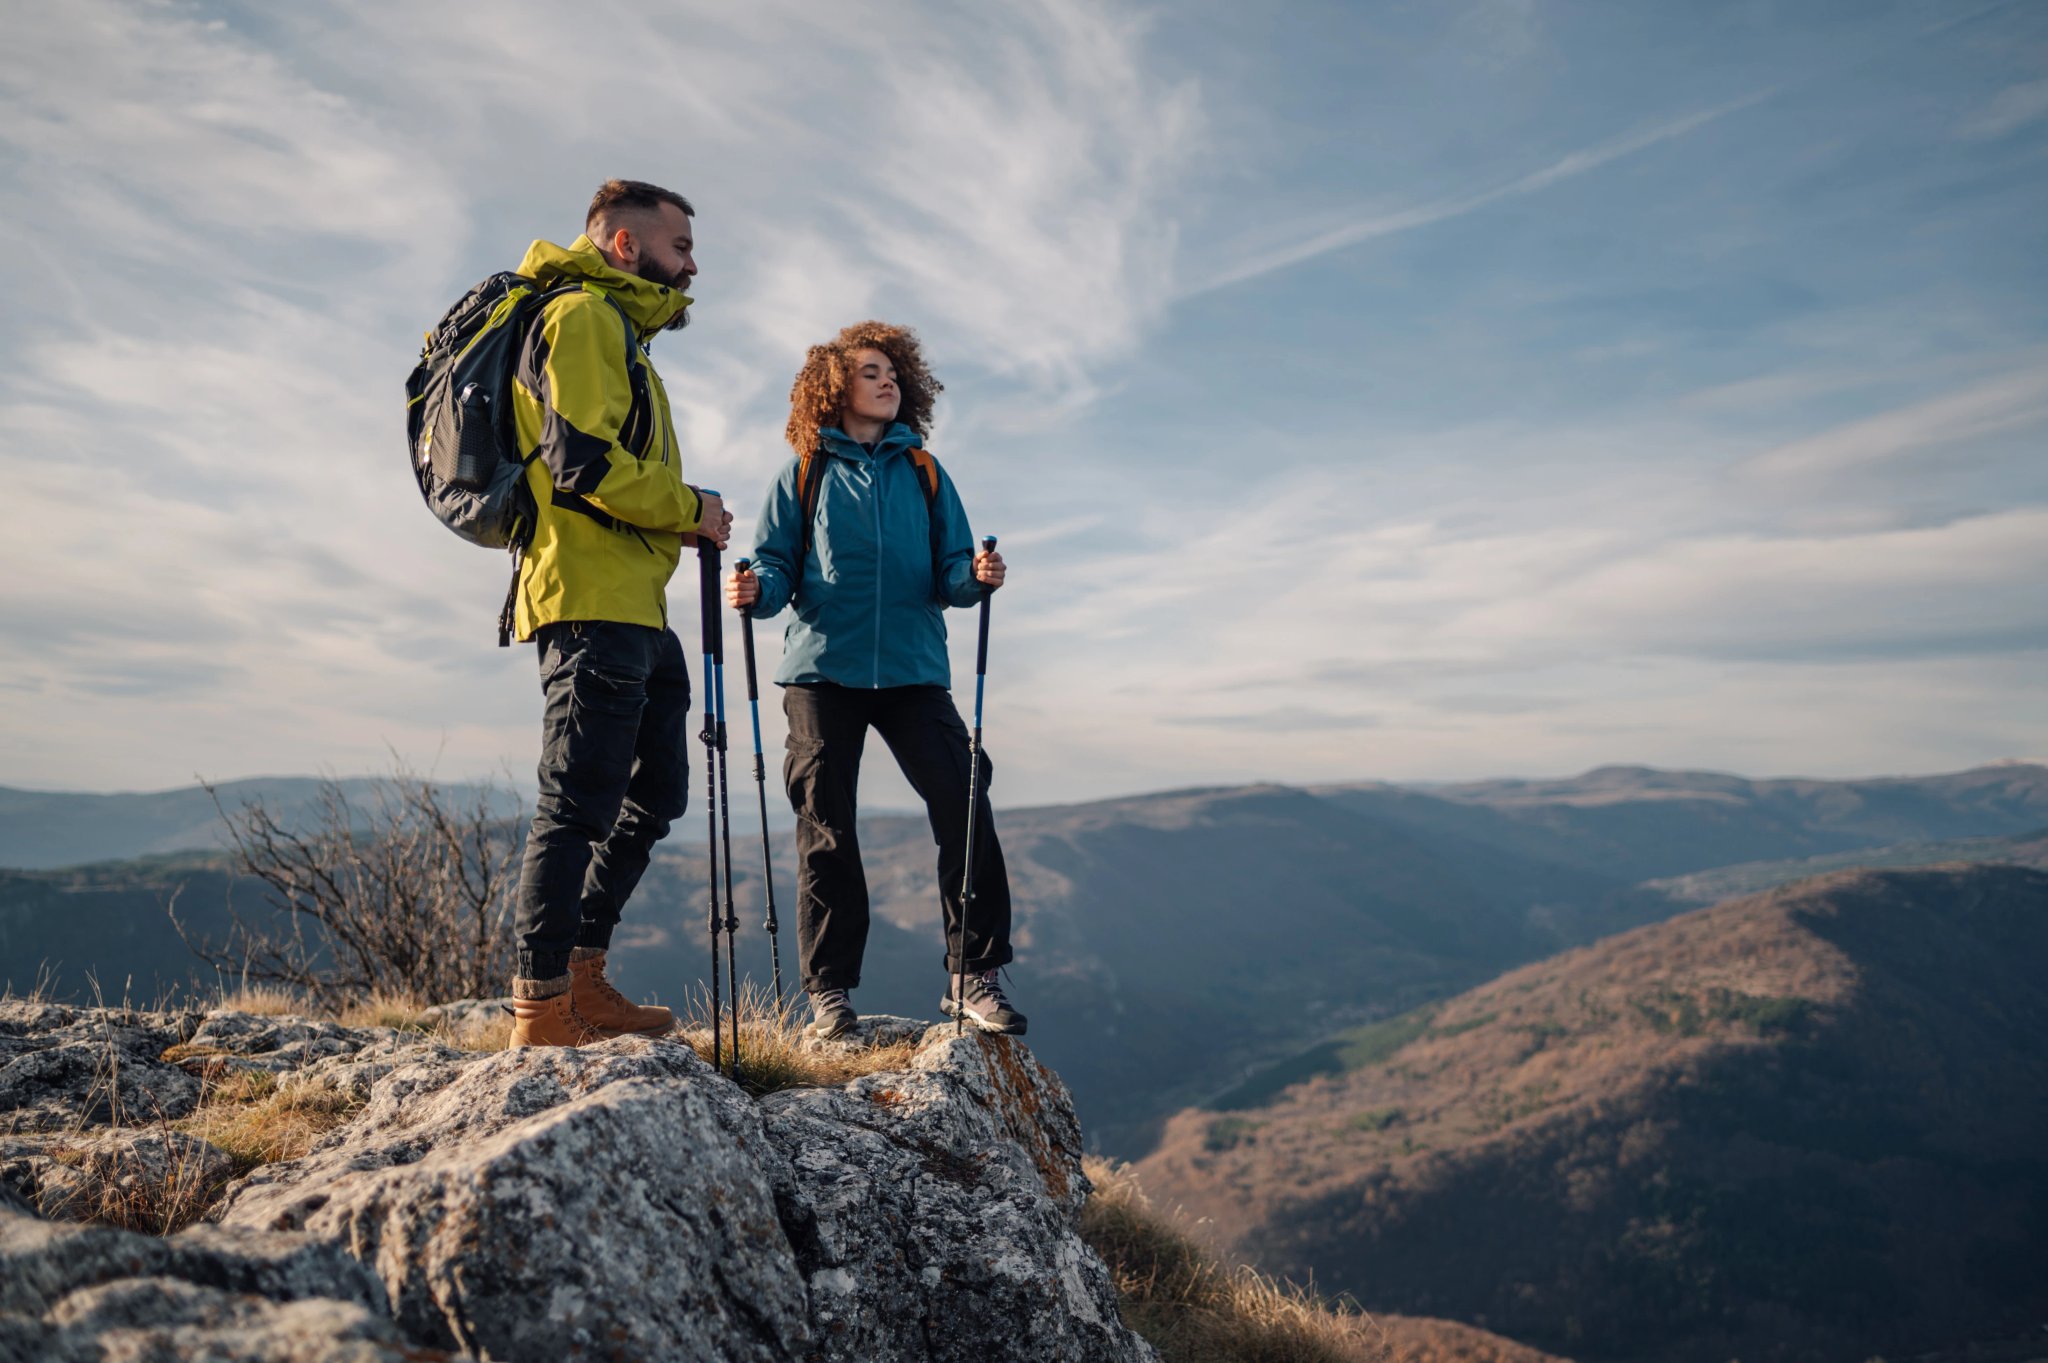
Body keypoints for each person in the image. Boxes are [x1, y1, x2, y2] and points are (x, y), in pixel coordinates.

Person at [726, 321, 1025, 1039]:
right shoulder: (804, 469)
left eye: (893, 371)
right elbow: (775, 565)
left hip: (914, 671)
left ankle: (972, 975)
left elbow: (951, 569)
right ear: (836, 385)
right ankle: (830, 992)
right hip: (823, 672)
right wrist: (754, 590)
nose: (887, 380)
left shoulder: (923, 470)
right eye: (870, 371)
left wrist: (975, 578)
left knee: (964, 795)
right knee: (827, 826)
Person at [505, 179, 733, 1047]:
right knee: (577, 802)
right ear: (627, 246)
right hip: (590, 597)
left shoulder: (624, 336)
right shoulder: (585, 318)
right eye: (680, 248)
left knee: (656, 792)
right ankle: (541, 1007)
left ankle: (584, 974)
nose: (692, 265)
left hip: (633, 602)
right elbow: (582, 463)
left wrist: (686, 513)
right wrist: (691, 507)